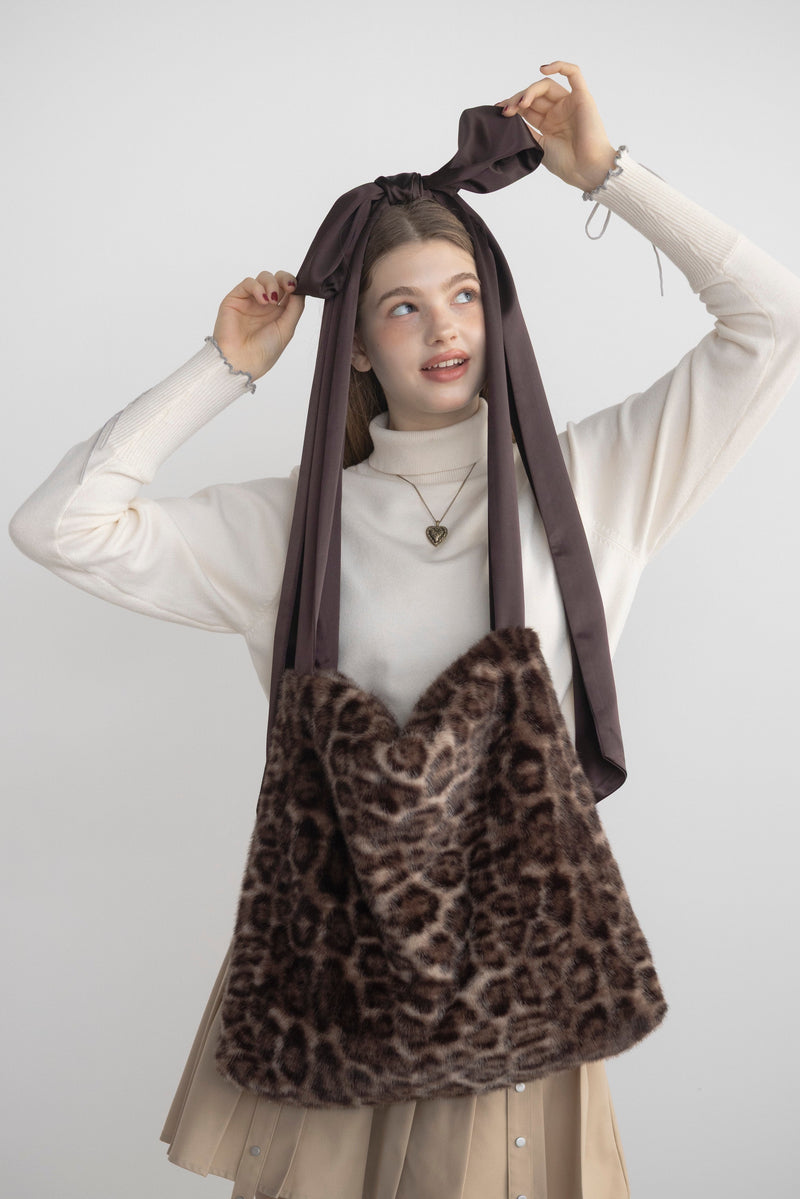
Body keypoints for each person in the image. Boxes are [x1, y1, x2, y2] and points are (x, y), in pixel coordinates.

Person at [9, 60, 800, 1199]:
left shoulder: (588, 486)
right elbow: (58, 527)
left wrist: (607, 176)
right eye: (403, 306)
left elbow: (772, 321)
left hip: (518, 972)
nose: (444, 328)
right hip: (334, 968)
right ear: (356, 345)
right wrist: (223, 368)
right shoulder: (292, 528)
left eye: (464, 294)